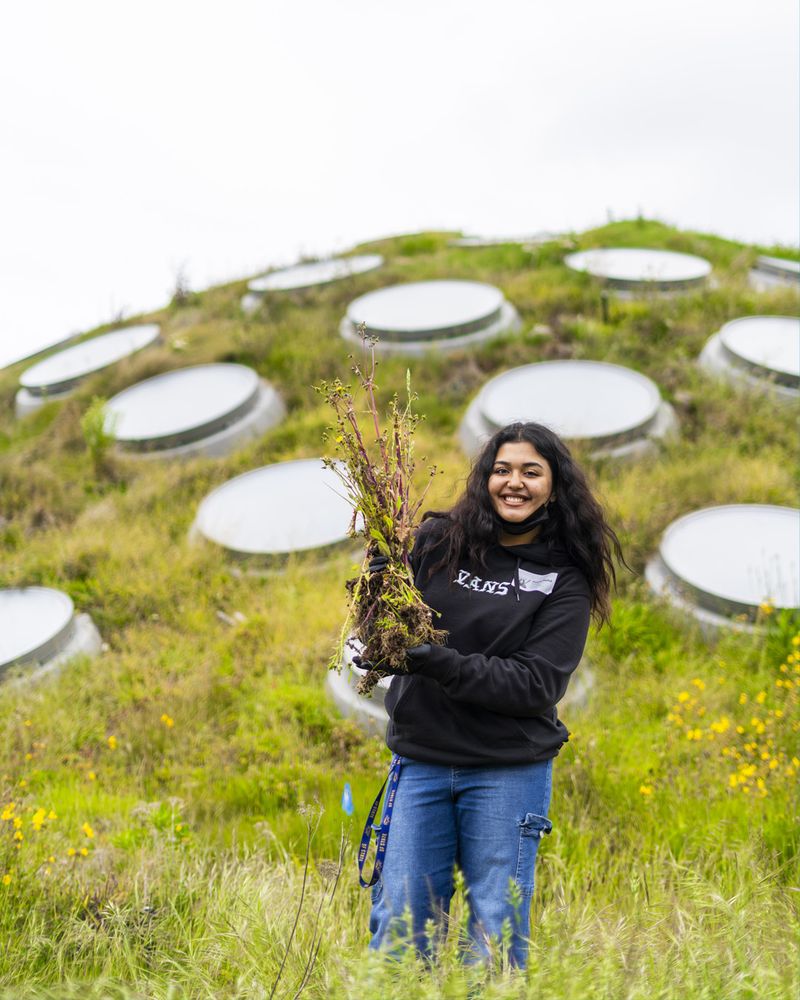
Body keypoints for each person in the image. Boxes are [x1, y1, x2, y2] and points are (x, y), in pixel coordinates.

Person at [358, 420, 624, 968]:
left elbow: (535, 684)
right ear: (485, 478)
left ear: (555, 485)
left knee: (495, 933)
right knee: (401, 929)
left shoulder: (563, 578)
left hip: (507, 769)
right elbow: (383, 635)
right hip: (422, 761)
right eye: (502, 469)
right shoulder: (435, 543)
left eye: (532, 471)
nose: (514, 483)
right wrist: (375, 592)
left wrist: (437, 662)